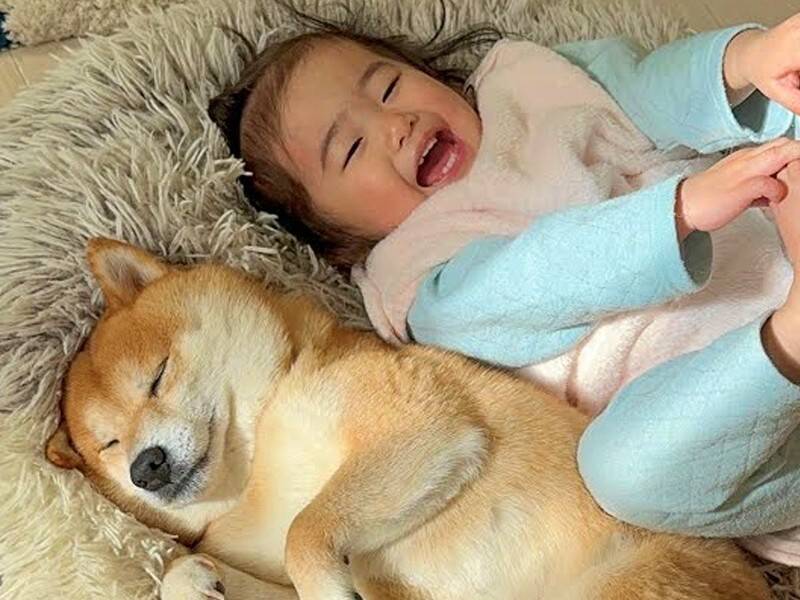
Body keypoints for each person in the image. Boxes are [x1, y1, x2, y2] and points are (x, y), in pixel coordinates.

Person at [209, 6, 800, 564]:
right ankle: (791, 336)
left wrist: (747, 59)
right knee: (618, 474)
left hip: (778, 231)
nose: (395, 124)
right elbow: (534, 276)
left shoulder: (530, 86)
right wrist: (678, 212)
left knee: (778, 104)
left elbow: (651, 87)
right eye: (352, 148)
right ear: (338, 236)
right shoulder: (419, 273)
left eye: (389, 87)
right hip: (739, 427)